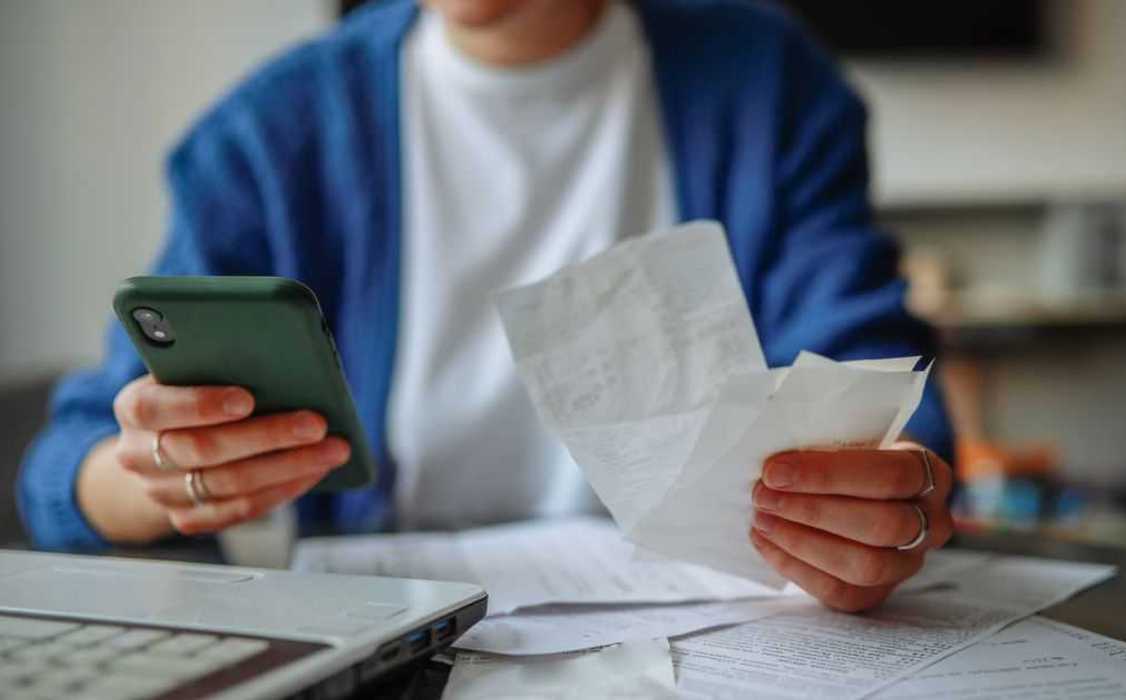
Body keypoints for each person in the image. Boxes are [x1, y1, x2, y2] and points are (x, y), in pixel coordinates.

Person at [19, 0, 956, 612]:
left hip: (728, 645)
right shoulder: (273, 134)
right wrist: (160, 471)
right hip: (400, 649)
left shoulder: (771, 86)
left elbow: (888, 407)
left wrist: (882, 501)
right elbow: (62, 475)